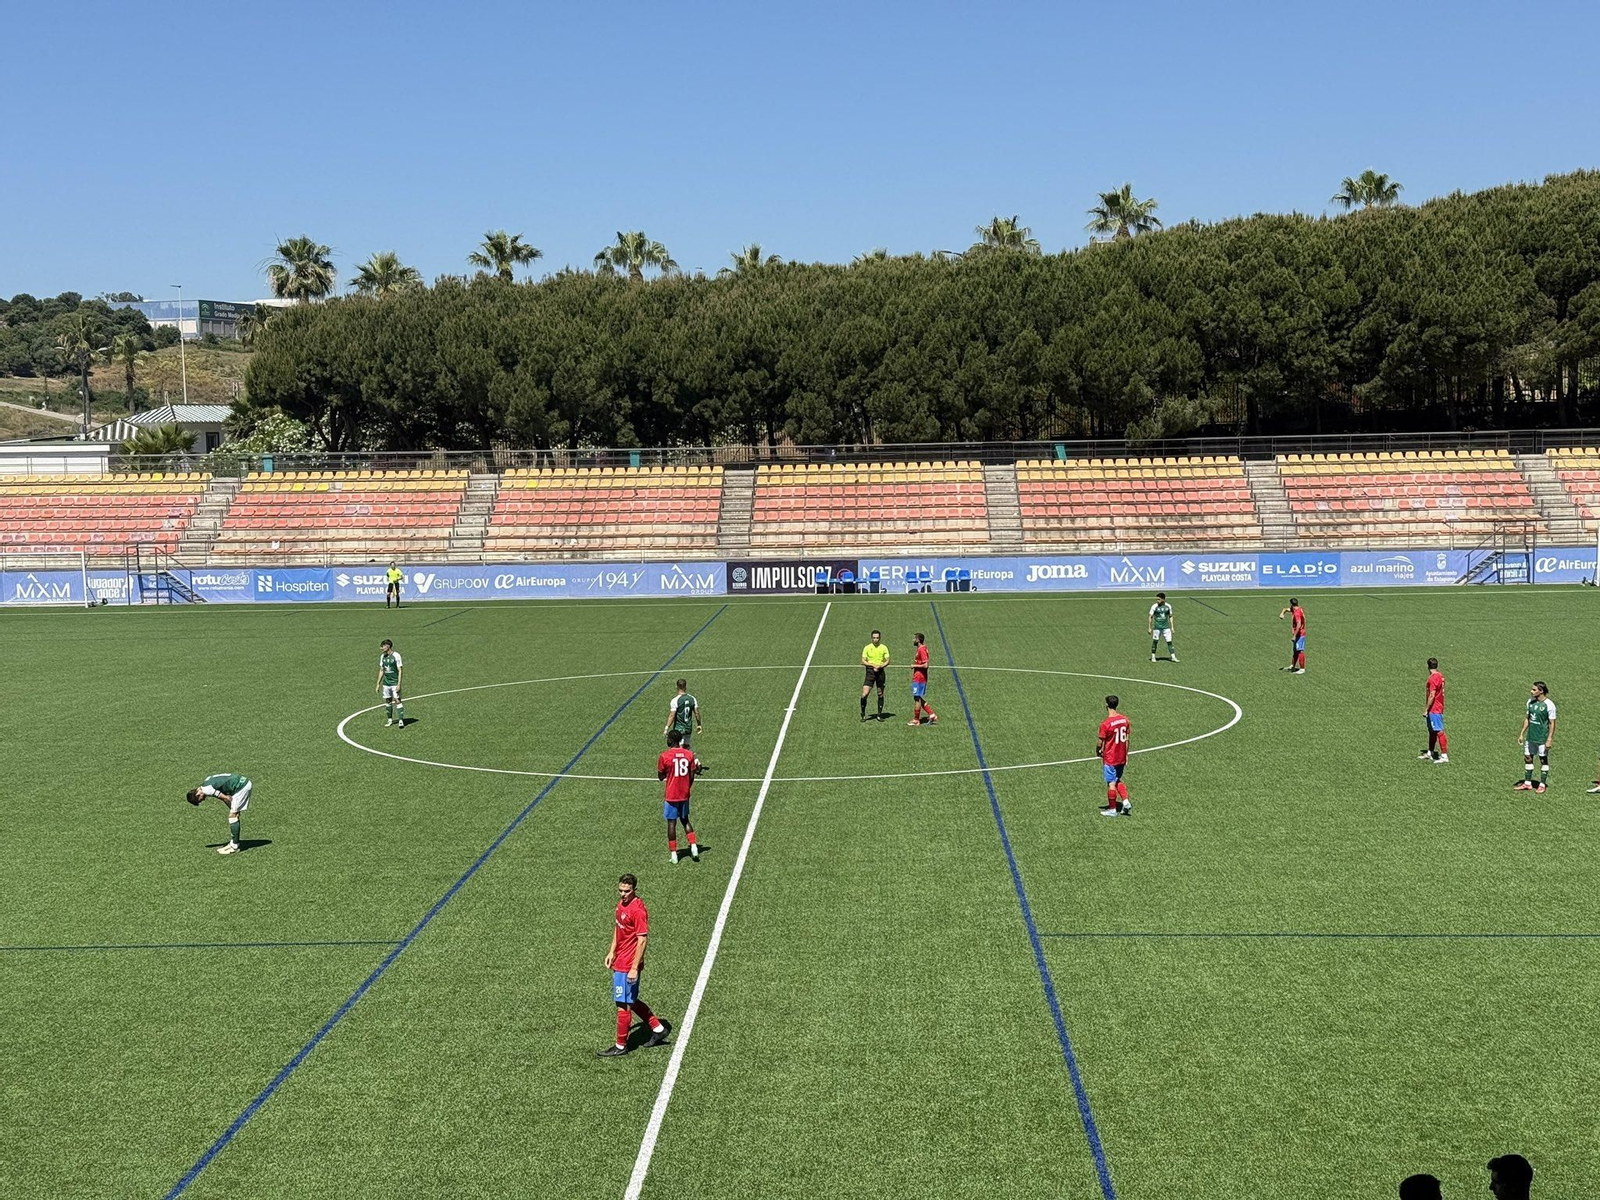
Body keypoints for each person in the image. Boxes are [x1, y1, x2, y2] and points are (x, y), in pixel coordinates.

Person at [598, 874, 669, 1057]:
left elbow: (642, 940)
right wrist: (612, 951)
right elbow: (618, 928)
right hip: (620, 959)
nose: (623, 894)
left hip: (628, 964)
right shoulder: (621, 905)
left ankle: (621, 1046)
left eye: (627, 891)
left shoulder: (638, 910)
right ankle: (658, 1027)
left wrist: (634, 967)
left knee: (622, 1003)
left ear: (634, 890)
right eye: (620, 890)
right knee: (631, 999)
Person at [658, 730, 703, 864]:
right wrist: (688, 786)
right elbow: (693, 771)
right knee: (685, 820)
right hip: (684, 793)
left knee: (672, 823)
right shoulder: (689, 754)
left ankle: (674, 854)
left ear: (672, 740)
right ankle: (694, 847)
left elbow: (660, 776)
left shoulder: (664, 756)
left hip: (672, 795)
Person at [186, 772, 252, 855]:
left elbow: (226, 798)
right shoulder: (205, 783)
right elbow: (224, 798)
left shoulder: (207, 790)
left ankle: (235, 846)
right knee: (233, 814)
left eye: (200, 800)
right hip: (241, 782)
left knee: (232, 816)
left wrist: (234, 811)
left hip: (241, 787)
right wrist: (233, 809)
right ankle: (233, 843)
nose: (203, 800)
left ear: (198, 794)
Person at [1515, 681, 1556, 793]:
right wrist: (1522, 733)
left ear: (1541, 691)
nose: (1531, 691)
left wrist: (1549, 739)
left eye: (1534, 690)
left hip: (1542, 738)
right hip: (1530, 737)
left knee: (1543, 760)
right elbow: (1528, 718)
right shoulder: (1530, 702)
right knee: (1527, 758)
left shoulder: (1549, 705)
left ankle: (1542, 784)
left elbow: (1552, 723)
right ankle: (1527, 783)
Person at [1097, 696, 1131, 817]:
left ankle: (1112, 810)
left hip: (1111, 757)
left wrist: (1098, 750)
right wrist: (1126, 755)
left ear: (1106, 705)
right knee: (1117, 780)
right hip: (1121, 756)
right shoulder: (1125, 720)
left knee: (1111, 783)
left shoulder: (1105, 724)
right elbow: (1127, 739)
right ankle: (1126, 802)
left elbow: (1100, 742)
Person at [1418, 657, 1448, 763]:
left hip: (1435, 708)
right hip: (1437, 706)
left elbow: (1432, 695)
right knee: (1432, 731)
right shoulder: (1440, 676)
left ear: (1428, 666)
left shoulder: (1433, 678)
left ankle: (1444, 756)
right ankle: (1430, 753)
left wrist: (1426, 709)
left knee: (1439, 730)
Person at [908, 632, 938, 726]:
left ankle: (916, 720)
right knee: (917, 697)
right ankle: (931, 714)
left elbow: (926, 665)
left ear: (918, 640)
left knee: (917, 698)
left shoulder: (921, 650)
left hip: (920, 677)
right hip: (918, 677)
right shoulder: (921, 649)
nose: (913, 640)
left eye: (914, 638)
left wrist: (914, 665)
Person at [663, 678, 702, 749]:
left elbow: (672, 715)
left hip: (679, 729)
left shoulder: (675, 700)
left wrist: (666, 728)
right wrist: (699, 724)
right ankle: (691, 759)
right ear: (685, 687)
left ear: (677, 687)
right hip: (688, 728)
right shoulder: (692, 698)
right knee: (687, 747)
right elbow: (696, 713)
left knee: (679, 748)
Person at [860, 629, 890, 722]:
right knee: (864, 694)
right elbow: (863, 660)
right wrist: (873, 665)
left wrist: (880, 666)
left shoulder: (884, 648)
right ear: (871, 638)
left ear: (880, 638)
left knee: (880, 693)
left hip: (880, 672)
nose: (875, 640)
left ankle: (879, 715)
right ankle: (863, 714)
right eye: (874, 638)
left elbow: (888, 660)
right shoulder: (867, 648)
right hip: (870, 672)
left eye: (877, 638)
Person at [376, 638, 405, 728]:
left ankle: (400, 720)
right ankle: (390, 720)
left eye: (383, 646)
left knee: (397, 700)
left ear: (388, 646)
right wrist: (378, 683)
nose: (381, 648)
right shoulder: (382, 657)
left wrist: (399, 684)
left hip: (395, 682)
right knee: (388, 700)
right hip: (386, 683)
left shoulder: (396, 655)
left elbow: (400, 670)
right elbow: (382, 670)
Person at [1278, 598, 1306, 673]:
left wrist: (1294, 636)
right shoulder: (1296, 609)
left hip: (1300, 634)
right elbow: (1286, 609)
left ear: (1291, 604)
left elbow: (1299, 624)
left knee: (1300, 650)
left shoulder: (1297, 612)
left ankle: (1302, 669)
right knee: (1295, 650)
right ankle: (1292, 665)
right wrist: (1282, 613)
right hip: (1297, 634)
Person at [1149, 591, 1178, 663]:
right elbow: (1150, 616)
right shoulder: (1154, 606)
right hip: (1157, 627)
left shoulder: (1168, 606)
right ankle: (1153, 656)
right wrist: (1149, 627)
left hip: (1166, 628)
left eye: (1158, 599)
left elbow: (1170, 616)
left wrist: (1172, 627)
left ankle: (1173, 657)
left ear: (1163, 599)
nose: (1157, 601)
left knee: (1169, 642)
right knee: (1155, 641)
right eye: (1157, 599)